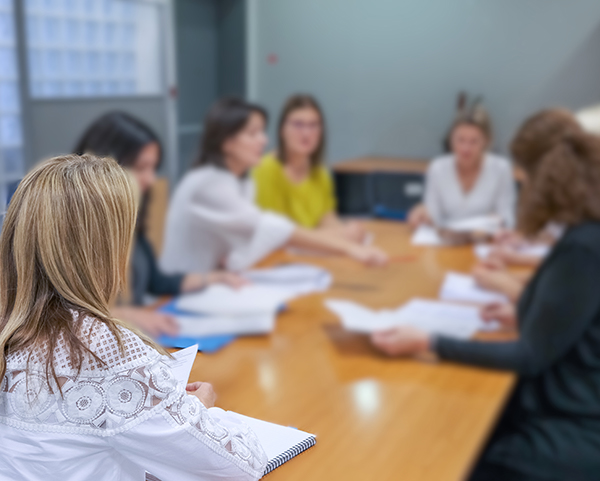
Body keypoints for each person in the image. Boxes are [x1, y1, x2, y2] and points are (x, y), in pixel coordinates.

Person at [0, 154, 267, 480]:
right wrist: (201, 408)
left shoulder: (11, 327)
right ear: (103, 249)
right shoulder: (100, 348)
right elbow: (238, 465)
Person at [371, 109, 600, 480]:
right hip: (566, 399)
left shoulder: (583, 248)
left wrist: (428, 340)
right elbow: (575, 318)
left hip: (572, 422)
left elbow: (528, 356)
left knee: (450, 447)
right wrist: (525, 314)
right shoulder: (586, 231)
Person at [160, 97, 388, 274]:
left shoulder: (242, 181)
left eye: (262, 132)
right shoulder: (208, 183)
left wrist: (341, 235)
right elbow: (272, 229)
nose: (263, 140)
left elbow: (250, 243)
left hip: (219, 280)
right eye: (253, 133)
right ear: (227, 143)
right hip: (181, 292)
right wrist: (348, 247)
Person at [74, 112, 244, 338]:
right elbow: (61, 315)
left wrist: (213, 279)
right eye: (141, 168)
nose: (151, 179)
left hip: (131, 341)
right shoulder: (70, 225)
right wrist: (124, 315)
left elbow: (157, 281)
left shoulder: (129, 215)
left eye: (153, 168)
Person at [252, 94, 365, 242]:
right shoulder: (265, 169)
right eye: (298, 124)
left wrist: (344, 230)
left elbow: (325, 216)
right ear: (282, 129)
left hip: (312, 253)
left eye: (313, 125)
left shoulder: (320, 171)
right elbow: (277, 232)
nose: (306, 133)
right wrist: (331, 236)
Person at [408, 105, 516, 230]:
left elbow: (507, 218)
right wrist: (422, 216)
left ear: (486, 141)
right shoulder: (437, 168)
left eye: (474, 141)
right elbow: (433, 215)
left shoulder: (501, 168)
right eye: (460, 140)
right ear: (451, 139)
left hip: (484, 242)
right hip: (446, 242)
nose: (466, 149)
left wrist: (498, 222)